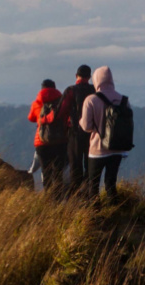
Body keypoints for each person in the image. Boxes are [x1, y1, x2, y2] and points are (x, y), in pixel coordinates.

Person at [77, 66, 129, 197]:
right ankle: (115, 210)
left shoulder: (91, 100)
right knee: (111, 183)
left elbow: (87, 126)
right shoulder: (123, 100)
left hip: (98, 149)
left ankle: (95, 215)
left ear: (96, 80)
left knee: (93, 185)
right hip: (117, 148)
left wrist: (79, 121)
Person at [55, 65, 96, 196]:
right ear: (89, 77)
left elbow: (60, 112)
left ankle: (76, 194)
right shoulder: (94, 91)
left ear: (75, 75)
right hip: (92, 133)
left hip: (74, 133)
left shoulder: (71, 91)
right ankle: (90, 193)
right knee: (90, 164)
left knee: (75, 164)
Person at [27, 79, 64, 191]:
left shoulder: (36, 104)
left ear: (42, 89)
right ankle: (58, 198)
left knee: (46, 171)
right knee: (58, 172)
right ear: (55, 88)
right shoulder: (62, 103)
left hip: (41, 142)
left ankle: (48, 196)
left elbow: (31, 118)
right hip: (60, 141)